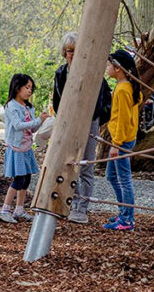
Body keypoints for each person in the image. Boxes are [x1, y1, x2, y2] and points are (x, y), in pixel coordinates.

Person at [51, 32, 113, 224]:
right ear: (64, 52)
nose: (72, 55)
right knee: (68, 163)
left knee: (86, 164)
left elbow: (105, 101)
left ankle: (82, 207)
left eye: (76, 51)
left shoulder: (93, 73)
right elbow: (57, 99)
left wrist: (94, 119)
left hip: (89, 121)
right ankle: (70, 202)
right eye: (70, 51)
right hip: (68, 122)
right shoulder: (61, 73)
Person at [0, 73, 49, 224]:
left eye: (31, 88)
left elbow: (31, 130)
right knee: (18, 179)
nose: (29, 91)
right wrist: (37, 120)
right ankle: (5, 209)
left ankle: (19, 209)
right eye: (27, 87)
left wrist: (41, 121)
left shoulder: (28, 107)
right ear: (17, 87)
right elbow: (18, 125)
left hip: (27, 148)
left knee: (26, 179)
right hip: (17, 149)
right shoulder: (11, 106)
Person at [104, 49, 141, 231]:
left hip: (122, 141)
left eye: (110, 64)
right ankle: (123, 212)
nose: (107, 67)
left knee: (124, 179)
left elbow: (124, 119)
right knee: (111, 175)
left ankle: (127, 220)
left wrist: (116, 144)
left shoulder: (123, 90)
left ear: (118, 68)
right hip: (121, 139)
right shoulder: (126, 88)